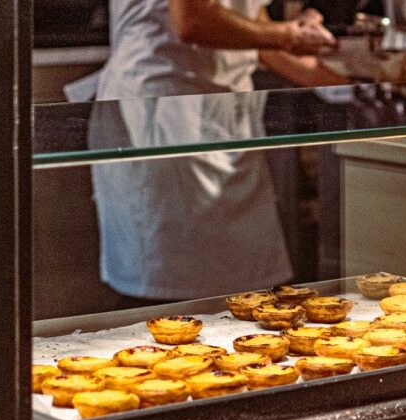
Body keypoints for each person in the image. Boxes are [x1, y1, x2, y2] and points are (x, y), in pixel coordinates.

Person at [83, 0, 345, 302]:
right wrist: (287, 34)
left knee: (247, 293)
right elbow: (193, 21)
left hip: (223, 116)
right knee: (168, 287)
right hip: (163, 112)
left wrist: (346, 84)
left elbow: (251, 27)